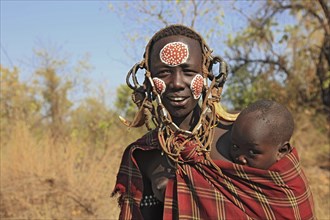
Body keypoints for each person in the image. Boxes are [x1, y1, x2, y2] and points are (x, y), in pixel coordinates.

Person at [112, 24, 315, 219]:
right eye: (163, 73)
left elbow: (289, 204)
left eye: (189, 72)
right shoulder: (145, 154)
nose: (176, 83)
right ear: (148, 81)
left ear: (207, 75)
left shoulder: (244, 138)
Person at [229, 100, 294, 170]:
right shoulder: (224, 170)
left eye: (252, 152)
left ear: (282, 151)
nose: (241, 159)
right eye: (235, 147)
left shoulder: (290, 179)